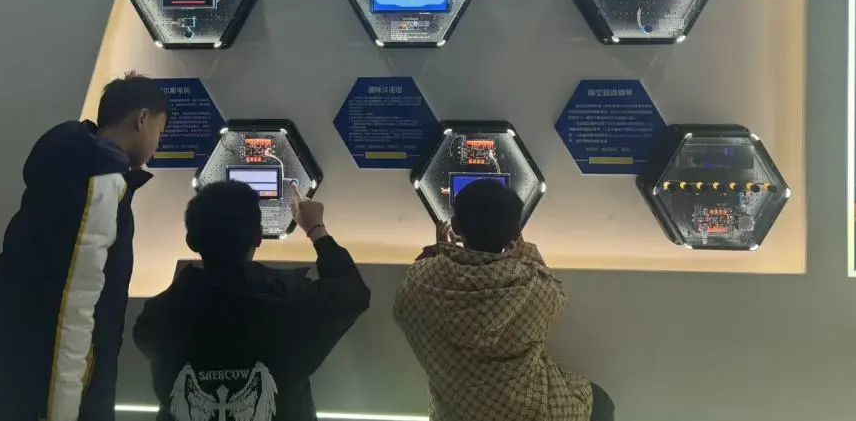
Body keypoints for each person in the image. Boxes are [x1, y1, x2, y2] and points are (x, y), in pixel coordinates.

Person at [0, 74, 170, 421]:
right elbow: (72, 312)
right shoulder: (100, 183)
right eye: (160, 130)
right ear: (142, 119)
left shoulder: (69, 166)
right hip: (35, 393)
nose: (157, 143)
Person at [133, 180, 370, 421]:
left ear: (191, 241)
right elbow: (353, 293)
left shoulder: (157, 316)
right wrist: (315, 229)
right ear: (258, 237)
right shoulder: (291, 303)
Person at [393, 180, 613, 421]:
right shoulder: (531, 286)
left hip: (456, 413)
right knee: (600, 401)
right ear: (513, 236)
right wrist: (521, 247)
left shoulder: (419, 284)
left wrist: (442, 253)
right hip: (531, 412)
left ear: (455, 226)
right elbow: (555, 294)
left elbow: (405, 306)